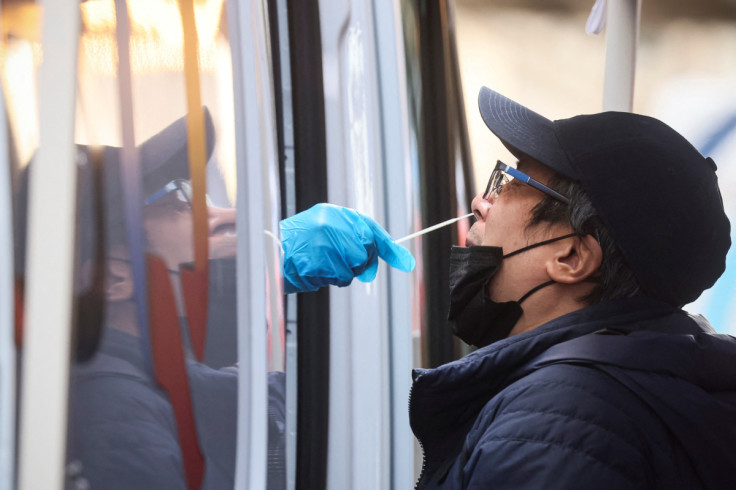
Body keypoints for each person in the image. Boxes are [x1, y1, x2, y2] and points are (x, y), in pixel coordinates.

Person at [282, 87, 736, 489]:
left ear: (571, 258)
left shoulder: (553, 426)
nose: (482, 202)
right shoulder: (626, 385)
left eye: (513, 180)